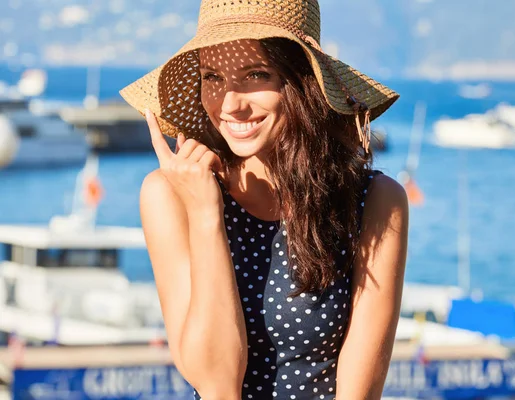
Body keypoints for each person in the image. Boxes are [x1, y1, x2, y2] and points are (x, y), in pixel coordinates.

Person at [120, 1, 409, 399]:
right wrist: (206, 213)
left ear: (303, 80)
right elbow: (215, 382)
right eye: (212, 76)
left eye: (256, 74)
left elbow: (360, 392)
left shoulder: (374, 200)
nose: (230, 104)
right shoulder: (169, 195)